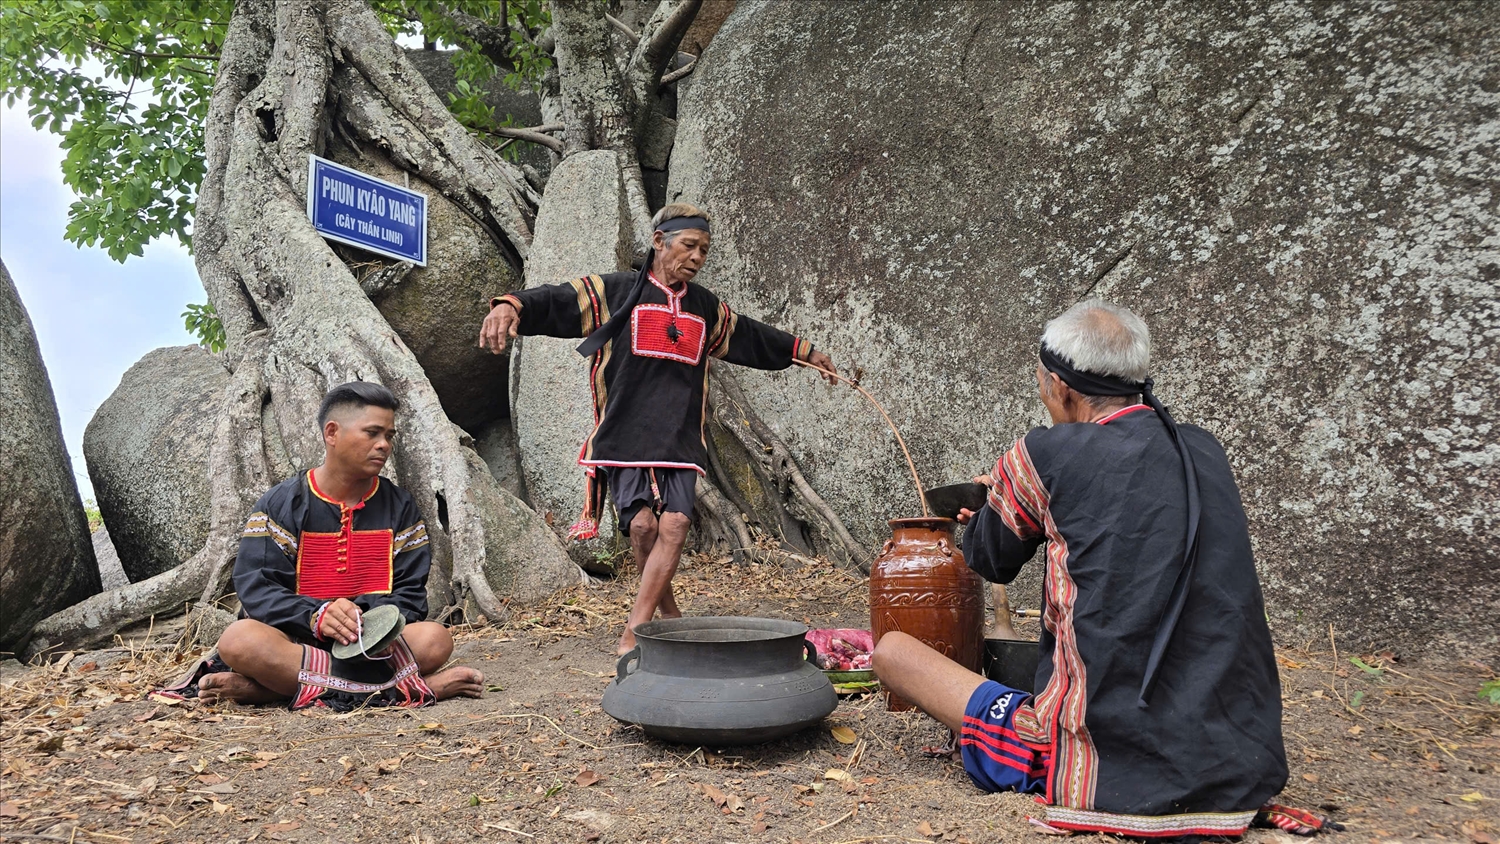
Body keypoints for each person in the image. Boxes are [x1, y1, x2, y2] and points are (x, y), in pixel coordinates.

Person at [872, 301, 1330, 839]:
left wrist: (991, 508)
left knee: (892, 654)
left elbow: (989, 559)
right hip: (1234, 764)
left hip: (1104, 763)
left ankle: (1057, 756)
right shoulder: (1202, 450)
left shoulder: (1043, 452)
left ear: (1059, 388)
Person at [480, 203, 837, 655]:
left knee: (677, 523)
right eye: (689, 245)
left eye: (704, 250)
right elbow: (558, 300)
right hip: (627, 430)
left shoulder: (705, 307)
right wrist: (512, 305)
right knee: (644, 528)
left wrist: (804, 351)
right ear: (659, 241)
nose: (696, 257)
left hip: (680, 435)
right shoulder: (616, 291)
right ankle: (669, 616)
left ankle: (636, 629)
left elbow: (749, 336)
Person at [161, 382, 484, 708]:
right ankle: (407, 688)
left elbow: (410, 594)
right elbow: (257, 589)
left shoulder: (399, 507)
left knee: (434, 639)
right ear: (332, 433)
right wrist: (317, 617)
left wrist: (365, 626)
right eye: (372, 433)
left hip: (370, 646)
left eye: (389, 436)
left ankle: (270, 691)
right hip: (294, 641)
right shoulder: (282, 503)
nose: (383, 445)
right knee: (239, 641)